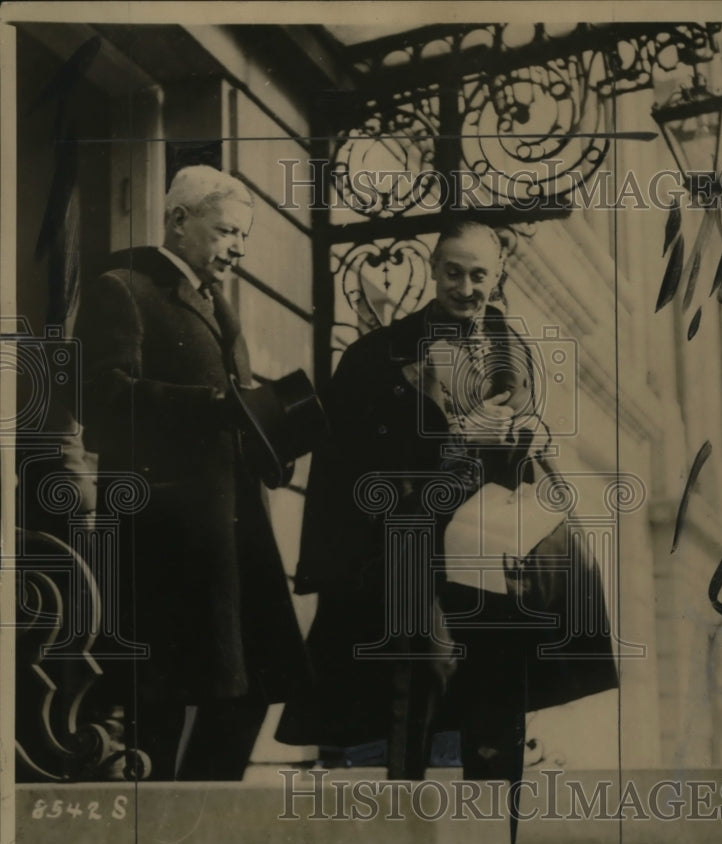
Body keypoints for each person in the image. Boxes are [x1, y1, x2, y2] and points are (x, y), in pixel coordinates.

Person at [277, 218, 617, 789]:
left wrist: (522, 436)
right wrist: (449, 446)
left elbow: (530, 443)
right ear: (433, 270)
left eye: (478, 275)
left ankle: (494, 820)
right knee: (423, 674)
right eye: (453, 273)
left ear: (497, 275)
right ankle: (404, 809)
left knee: (499, 685)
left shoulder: (514, 348)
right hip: (412, 546)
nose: (466, 288)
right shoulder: (375, 356)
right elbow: (348, 464)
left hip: (494, 546)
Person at [75, 165, 310, 780]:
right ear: (179, 221)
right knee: (164, 696)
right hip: (168, 536)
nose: (238, 249)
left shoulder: (217, 306)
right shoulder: (124, 289)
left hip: (234, 532)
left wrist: (275, 436)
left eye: (244, 236)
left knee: (253, 684)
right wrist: (212, 406)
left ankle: (201, 806)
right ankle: (164, 821)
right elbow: (101, 397)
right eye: (227, 231)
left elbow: (237, 410)